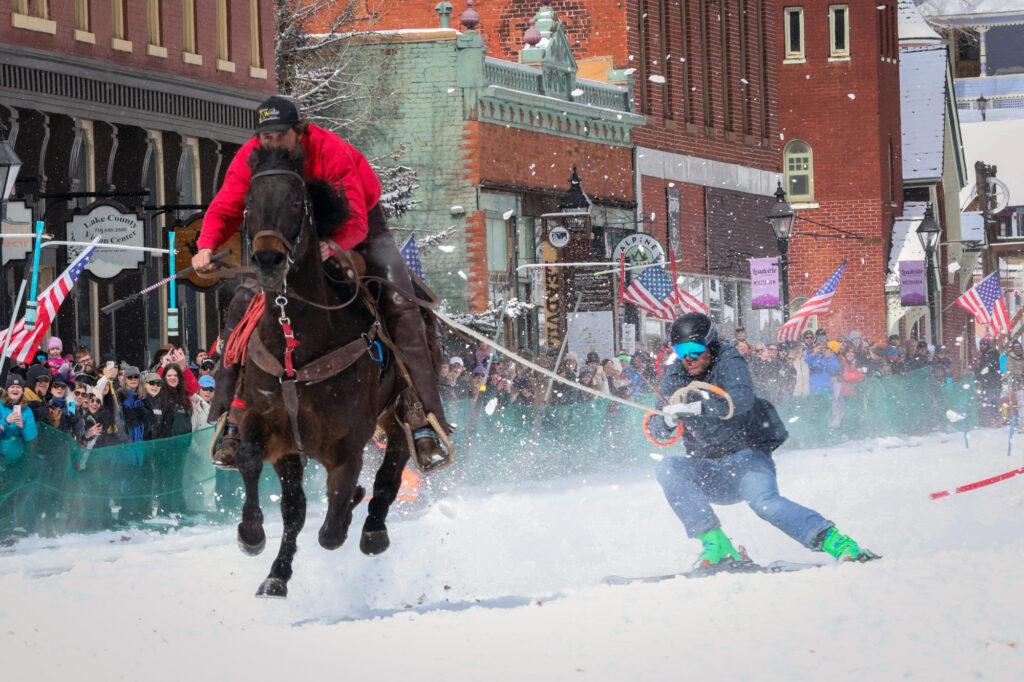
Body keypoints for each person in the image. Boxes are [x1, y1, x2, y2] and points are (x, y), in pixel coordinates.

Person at [192, 95, 451, 470]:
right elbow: (226, 206)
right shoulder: (253, 158)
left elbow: (358, 220)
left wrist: (334, 246)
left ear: (299, 131)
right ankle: (232, 415)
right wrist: (205, 245)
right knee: (242, 305)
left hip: (357, 231)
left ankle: (423, 414)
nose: (273, 143)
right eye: (266, 136)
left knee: (400, 299)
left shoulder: (330, 150)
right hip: (288, 238)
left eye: (280, 135)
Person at [647, 312, 876, 573]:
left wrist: (697, 407)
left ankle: (839, 543)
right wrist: (667, 421)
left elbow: (741, 399)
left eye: (695, 349)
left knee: (765, 503)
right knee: (667, 467)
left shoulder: (728, 359)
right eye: (681, 350)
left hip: (746, 460)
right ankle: (718, 546)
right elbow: (656, 427)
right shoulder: (675, 375)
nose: (688, 357)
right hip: (709, 469)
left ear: (710, 343)